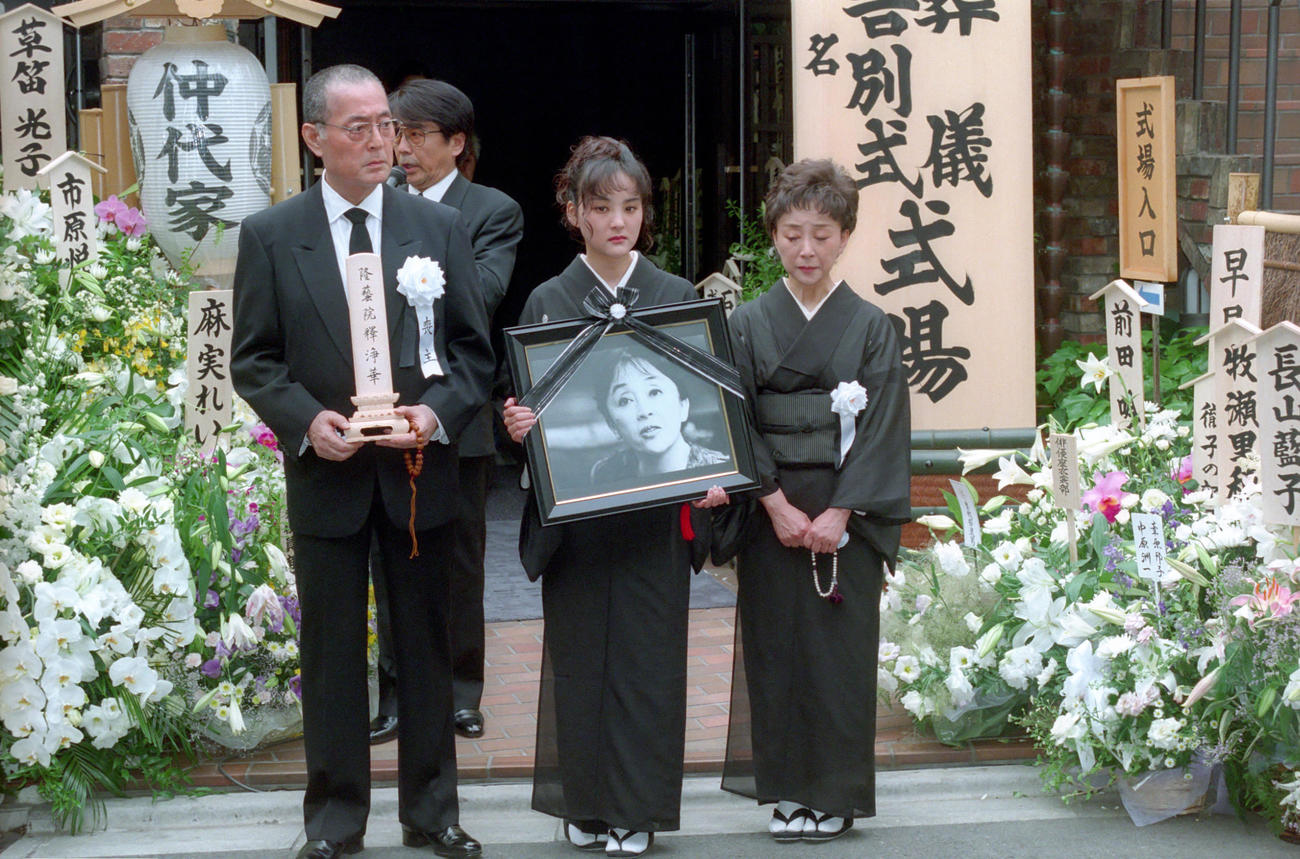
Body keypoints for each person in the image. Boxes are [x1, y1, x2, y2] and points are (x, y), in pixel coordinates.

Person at [231, 64, 494, 859]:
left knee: (425, 650)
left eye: (389, 125)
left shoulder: (437, 228)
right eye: (361, 128)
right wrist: (306, 421)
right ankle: (334, 821)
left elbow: (473, 355)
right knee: (333, 656)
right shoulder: (272, 235)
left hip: (417, 478)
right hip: (328, 476)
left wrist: (433, 415)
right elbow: (255, 360)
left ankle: (433, 812)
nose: (383, 142)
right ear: (314, 138)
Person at [502, 136, 725, 858]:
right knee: (580, 662)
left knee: (649, 662)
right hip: (579, 516)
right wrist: (516, 423)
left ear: (644, 212)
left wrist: (716, 468)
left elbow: (707, 399)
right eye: (601, 208)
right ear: (574, 212)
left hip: (656, 514)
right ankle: (587, 805)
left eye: (630, 207)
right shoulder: (549, 298)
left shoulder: (675, 295)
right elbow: (524, 398)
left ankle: (638, 809)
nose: (617, 222)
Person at [717, 159, 911, 844]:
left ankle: (834, 793)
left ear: (845, 236)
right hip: (772, 508)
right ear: (773, 235)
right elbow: (735, 416)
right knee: (776, 651)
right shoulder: (746, 323)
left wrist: (842, 511)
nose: (806, 249)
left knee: (838, 656)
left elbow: (884, 426)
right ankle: (788, 791)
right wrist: (772, 502)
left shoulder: (872, 326)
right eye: (792, 234)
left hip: (842, 511)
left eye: (822, 235)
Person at [361, 78, 525, 745]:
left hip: (457, 413)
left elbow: (480, 295)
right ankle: (395, 694)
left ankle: (460, 692)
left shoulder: (490, 211)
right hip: (380, 404)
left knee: (458, 560)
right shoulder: (374, 205)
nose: (401, 147)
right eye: (393, 131)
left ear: (456, 143)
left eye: (415, 134)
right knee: (388, 554)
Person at [588, 347, 728, 486]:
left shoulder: (722, 471)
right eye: (625, 400)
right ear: (612, 425)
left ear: (683, 406)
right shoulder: (605, 474)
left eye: (654, 392)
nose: (644, 411)